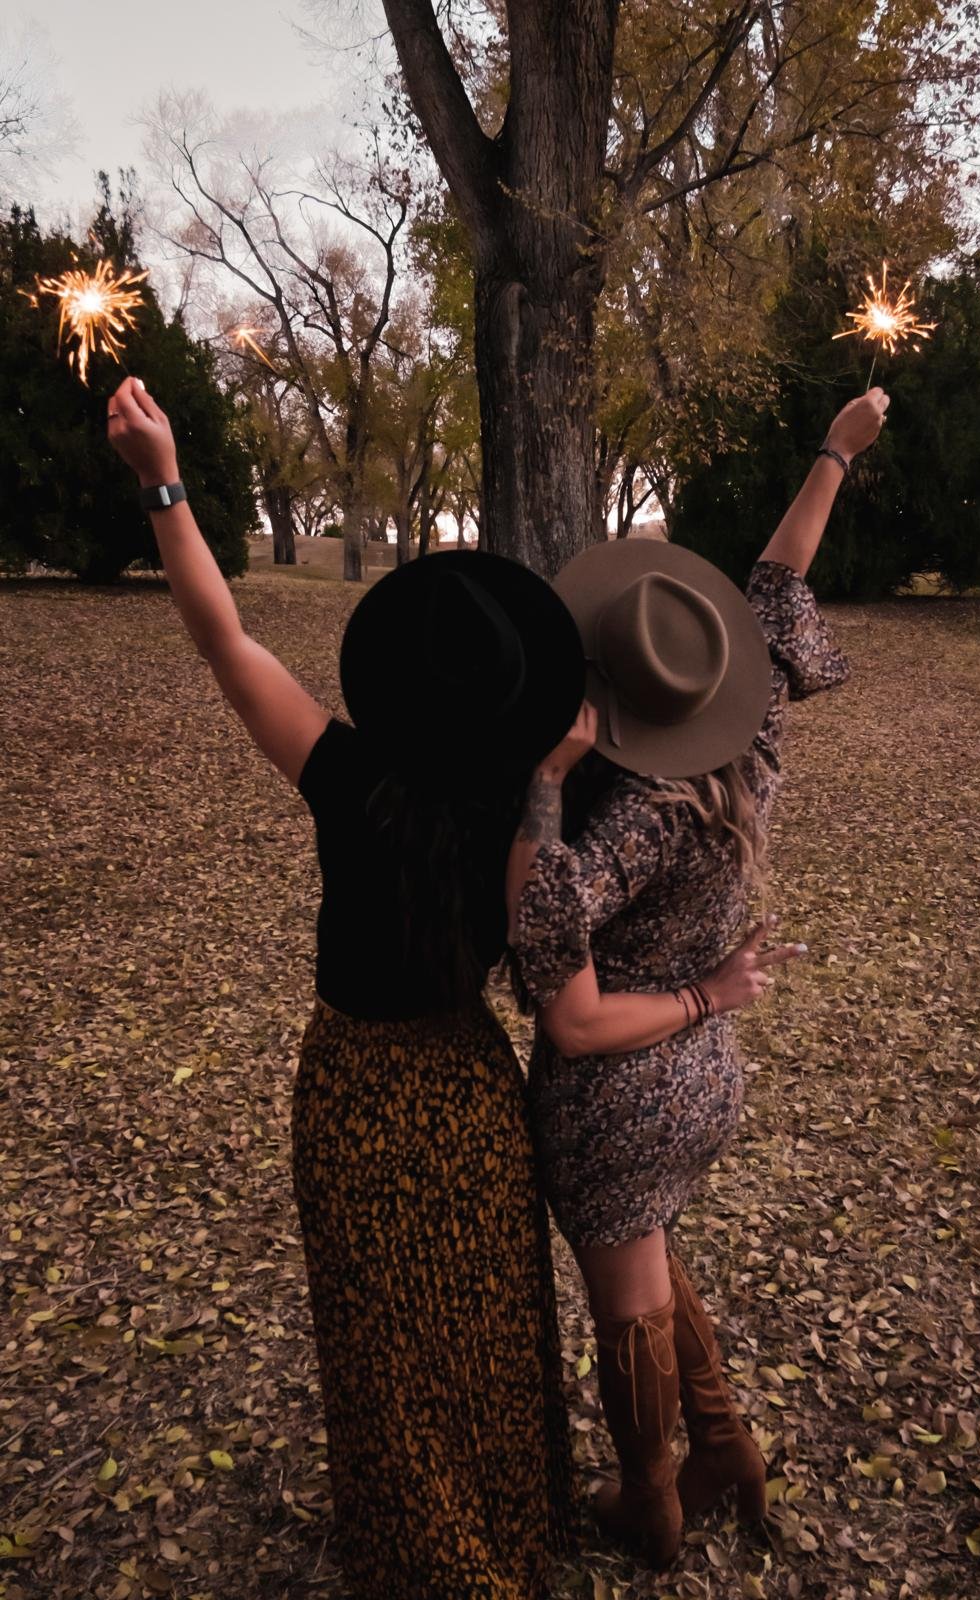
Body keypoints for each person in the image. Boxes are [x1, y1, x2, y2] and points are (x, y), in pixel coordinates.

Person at [105, 376, 587, 1600]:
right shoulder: (518, 806)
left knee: (384, 1339)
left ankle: (425, 1548)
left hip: (354, 1094)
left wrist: (165, 480)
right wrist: (551, 772)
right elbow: (541, 952)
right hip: (469, 1097)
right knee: (477, 1325)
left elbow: (225, 638)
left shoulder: (345, 775)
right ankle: (503, 1528)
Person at [505, 389, 890, 1569]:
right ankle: (723, 1441)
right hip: (702, 1083)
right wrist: (835, 447)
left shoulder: (633, 816)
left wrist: (543, 784)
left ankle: (651, 1499)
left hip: (628, 1075)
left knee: (626, 1297)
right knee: (650, 1249)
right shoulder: (754, 741)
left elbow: (550, 959)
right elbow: (776, 579)